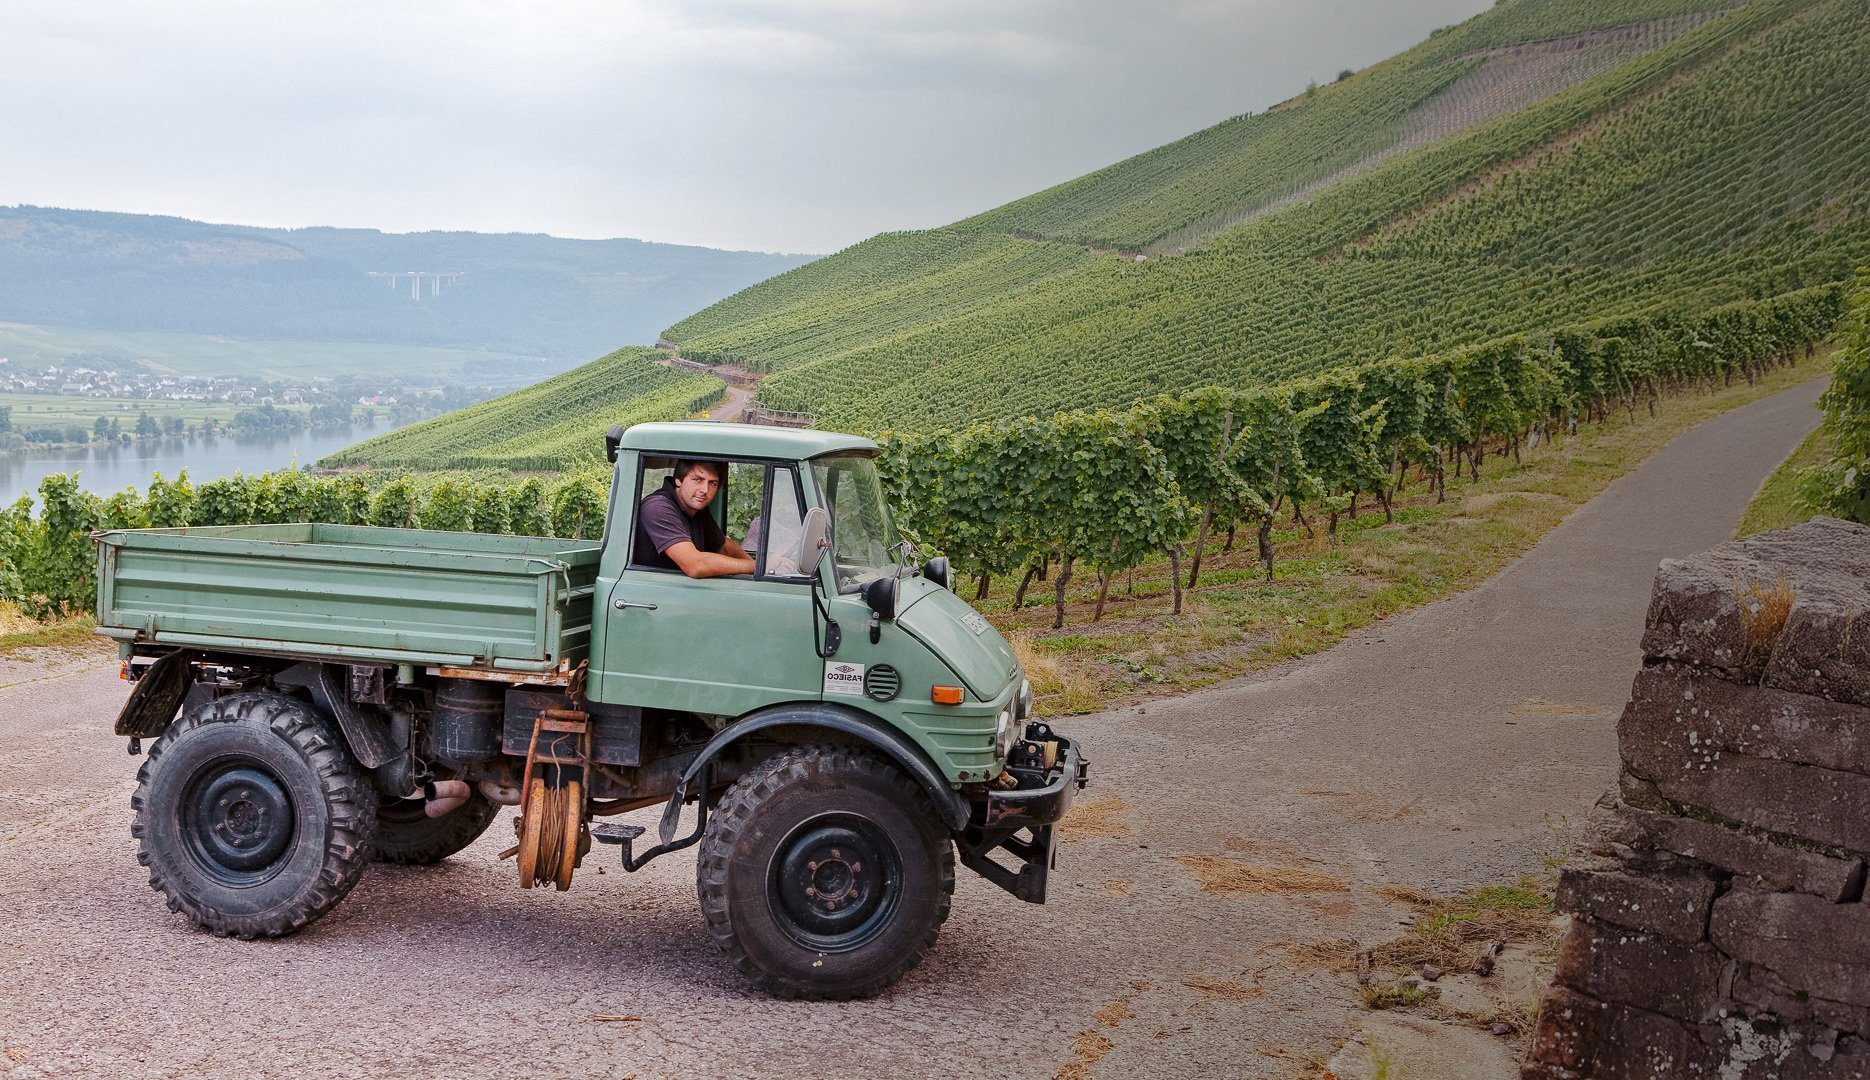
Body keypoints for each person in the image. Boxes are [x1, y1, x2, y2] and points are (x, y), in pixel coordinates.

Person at [633, 460, 755, 578]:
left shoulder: (696, 509)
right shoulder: (657, 507)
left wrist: (759, 568)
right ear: (678, 480)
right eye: (697, 480)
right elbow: (695, 565)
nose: (705, 490)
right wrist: (754, 566)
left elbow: (722, 546)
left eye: (713, 483)